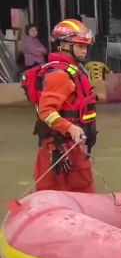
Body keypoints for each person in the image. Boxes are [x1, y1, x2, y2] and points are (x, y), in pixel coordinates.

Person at [33, 19, 98, 192]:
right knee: (79, 190)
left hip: (72, 146)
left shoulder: (74, 70)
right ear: (63, 45)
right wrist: (70, 128)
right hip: (60, 148)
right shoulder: (60, 75)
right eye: (79, 46)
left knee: (79, 188)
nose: (84, 50)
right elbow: (46, 112)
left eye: (85, 47)